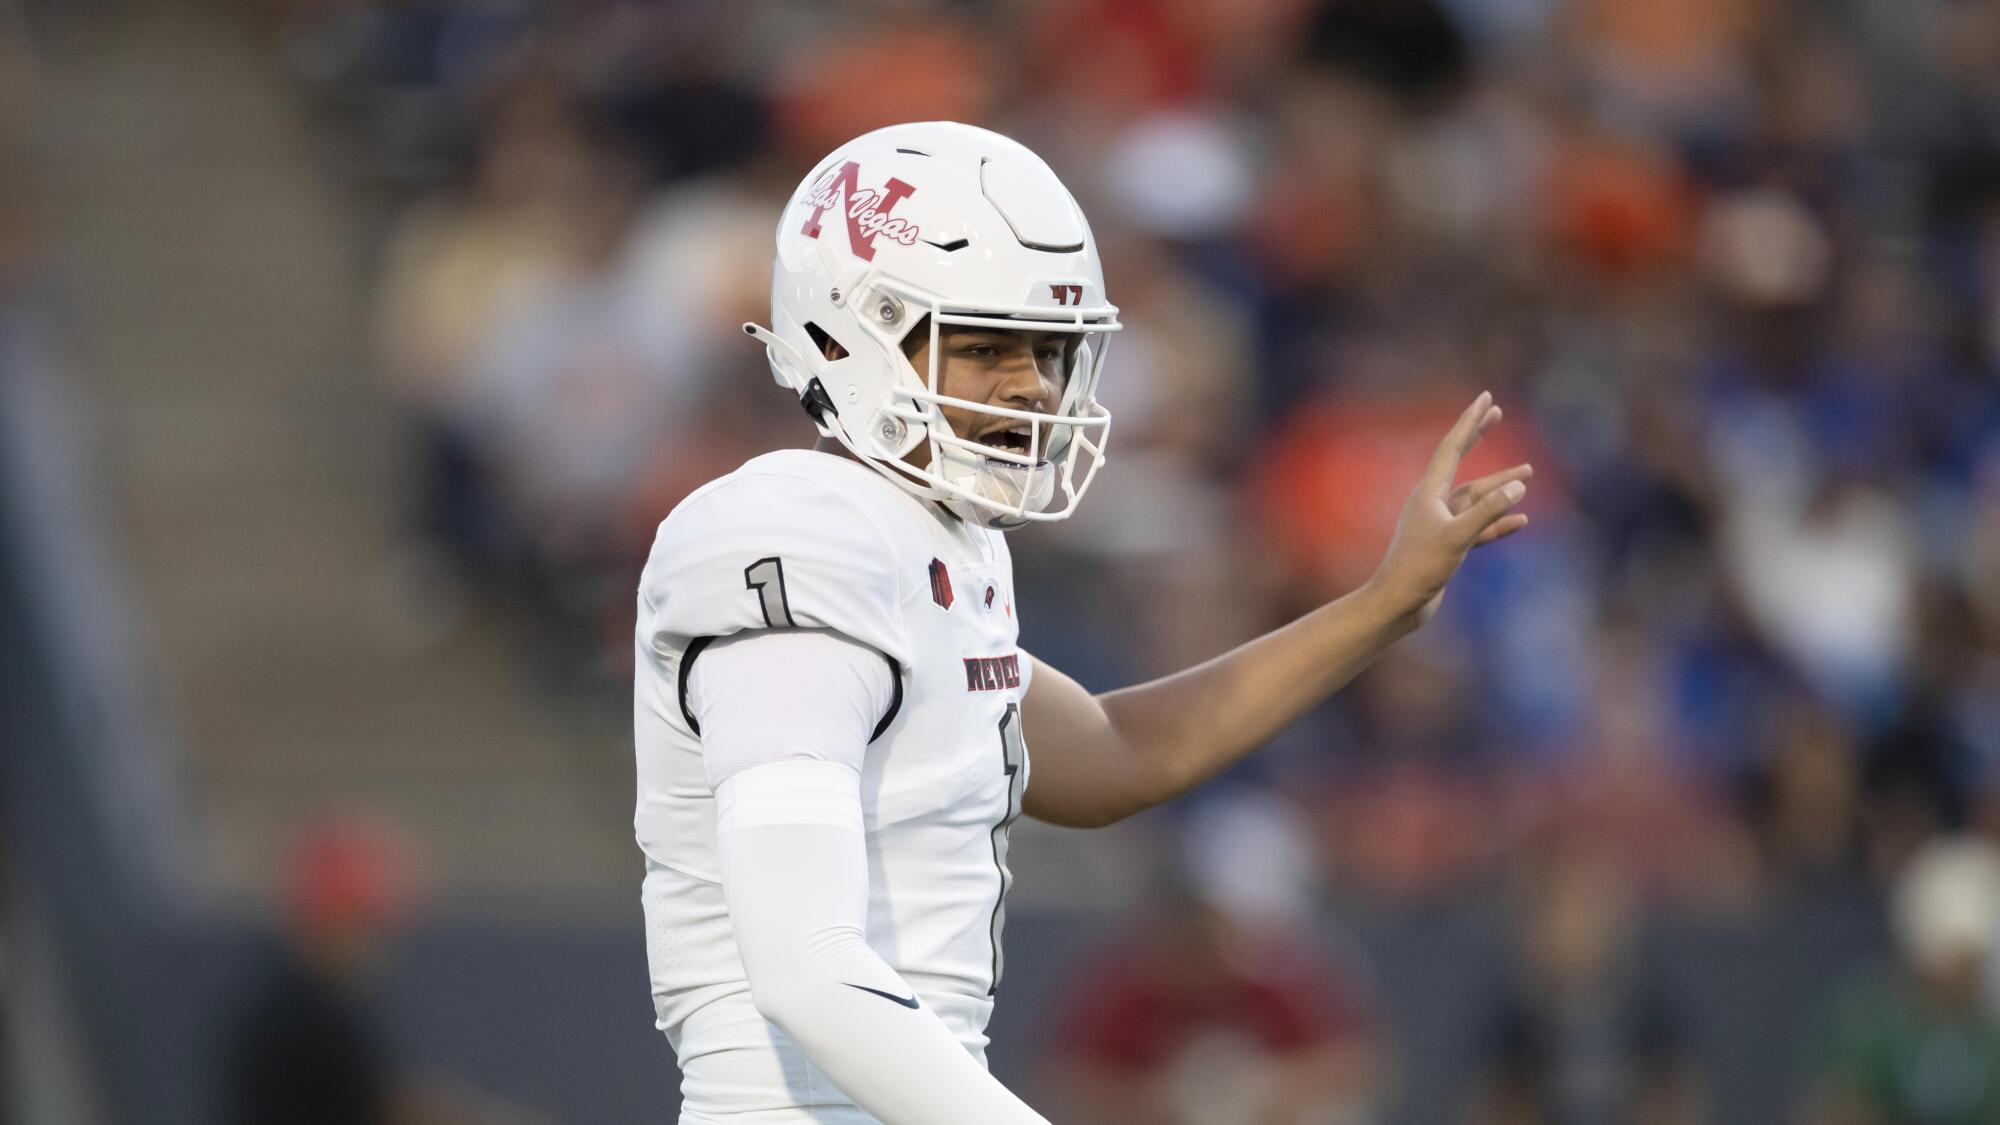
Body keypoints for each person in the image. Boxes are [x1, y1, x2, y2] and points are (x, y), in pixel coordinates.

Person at [631, 120, 1532, 1124]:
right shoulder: (795, 535)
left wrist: (1380, 606)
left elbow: (1113, 754)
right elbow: (804, 972)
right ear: (846, 336)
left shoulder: (928, 545)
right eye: (981, 347)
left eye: (1047, 351)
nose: (1029, 385)